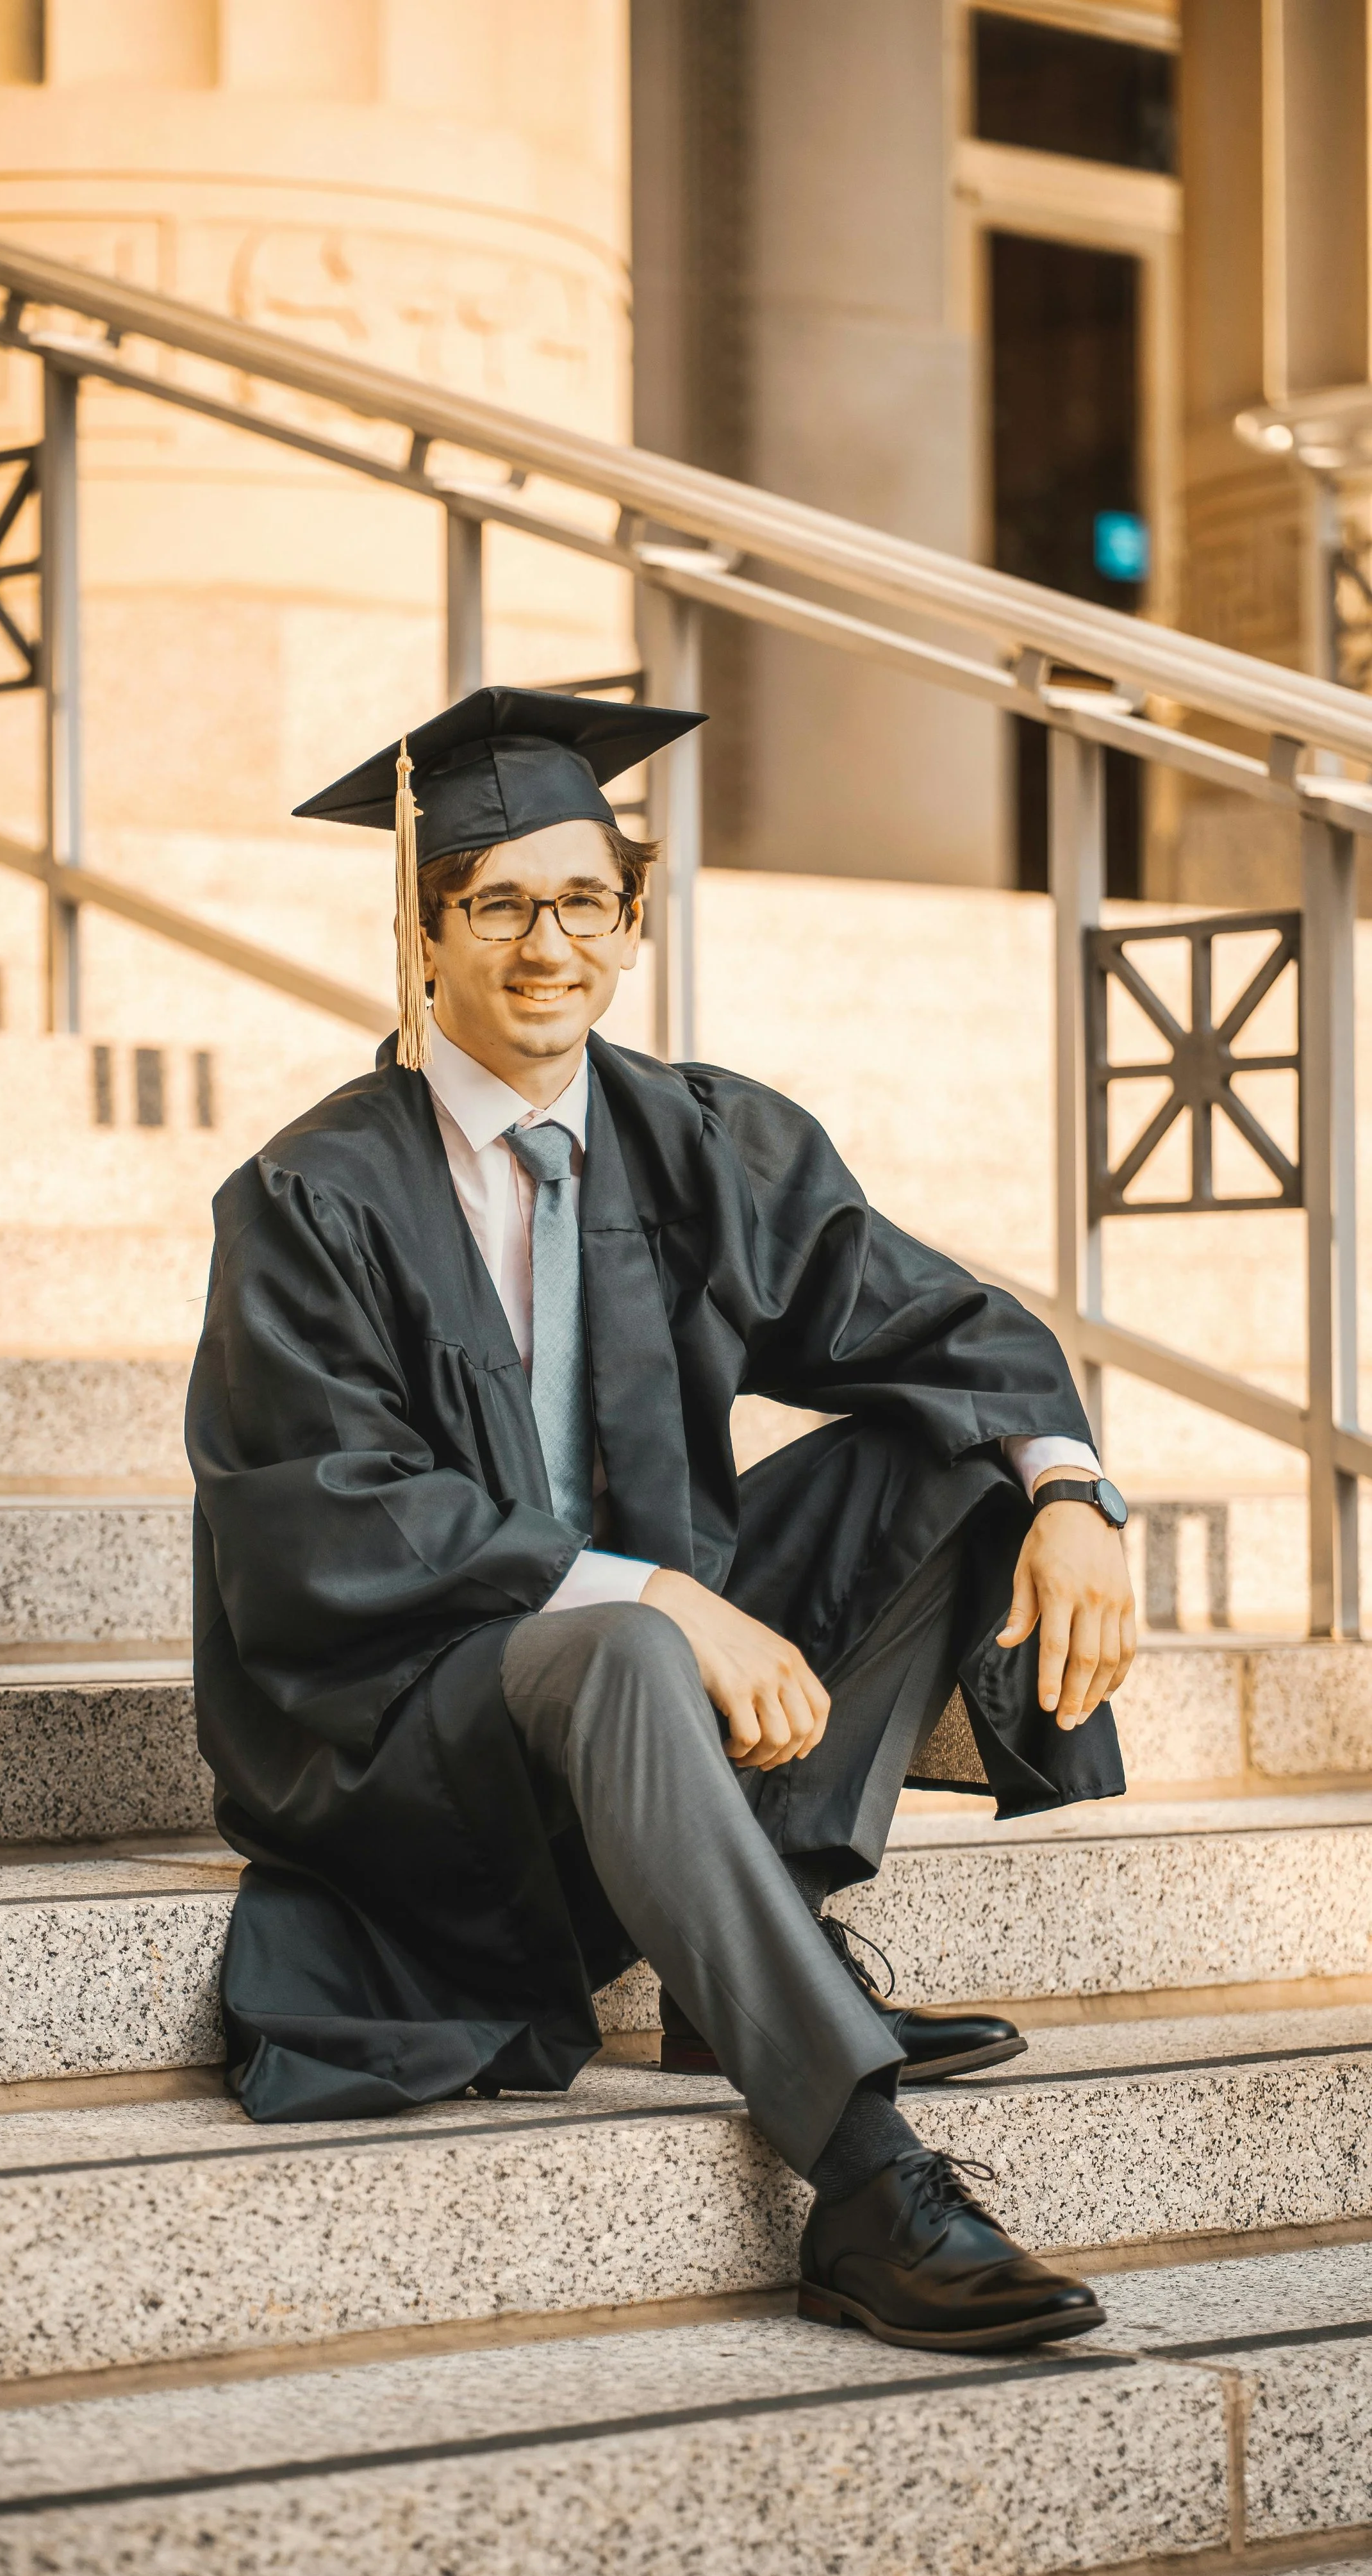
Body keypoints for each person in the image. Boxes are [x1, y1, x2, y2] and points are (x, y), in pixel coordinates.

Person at [187, 688, 1137, 2356]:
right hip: (415, 1725)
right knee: (628, 1640)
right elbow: (317, 1516)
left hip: (633, 1678)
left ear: (631, 923)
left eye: (577, 901)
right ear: (422, 938)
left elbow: (943, 1328)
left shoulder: (687, 1136)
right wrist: (648, 1594)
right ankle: (864, 2186)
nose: (541, 945)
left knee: (956, 1455)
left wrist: (1069, 1490)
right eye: (492, 904)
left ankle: (745, 1932)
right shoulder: (315, 1198)